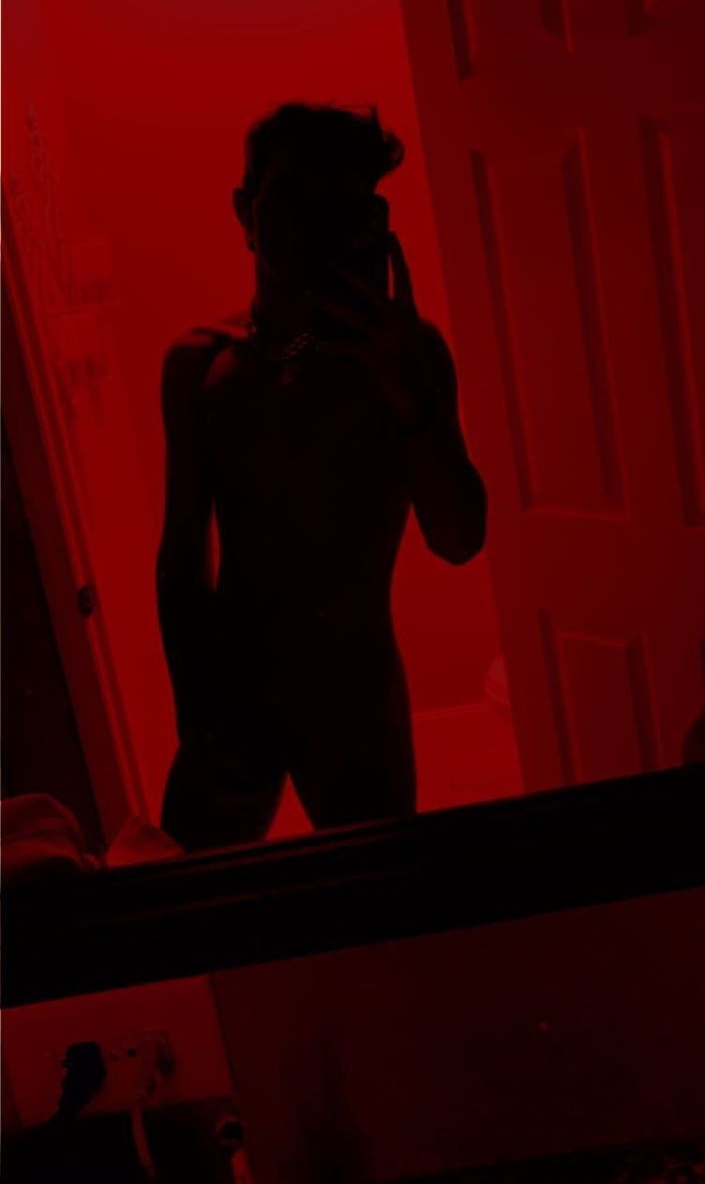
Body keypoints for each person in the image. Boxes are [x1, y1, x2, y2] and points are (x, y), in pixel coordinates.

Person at [157, 102, 487, 850]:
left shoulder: (404, 353)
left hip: (353, 685)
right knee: (190, 892)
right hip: (232, 687)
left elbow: (459, 538)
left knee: (375, 899)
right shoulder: (200, 363)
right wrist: (195, 711)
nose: (313, 221)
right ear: (245, 211)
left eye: (338, 199)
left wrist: (410, 398)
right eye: (292, 195)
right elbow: (180, 556)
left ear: (367, 218)